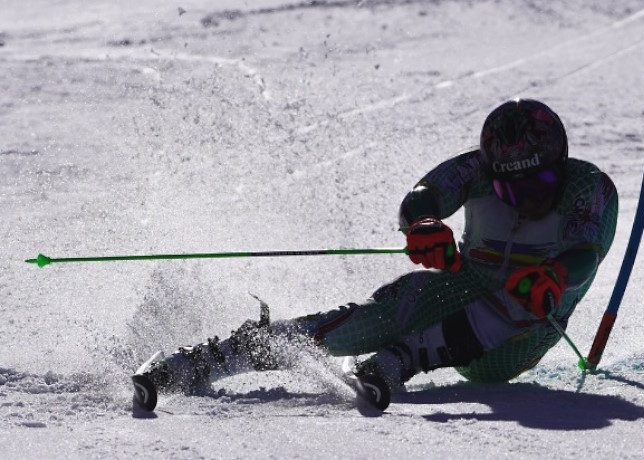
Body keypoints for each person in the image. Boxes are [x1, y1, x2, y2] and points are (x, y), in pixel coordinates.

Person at [132, 98, 618, 412]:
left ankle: (404, 356)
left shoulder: (587, 187)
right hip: (466, 284)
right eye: (508, 190)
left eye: (539, 184)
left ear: (560, 165)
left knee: (521, 296)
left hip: (525, 331)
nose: (525, 200)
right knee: (380, 314)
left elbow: (586, 253)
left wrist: (555, 273)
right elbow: (424, 194)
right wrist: (423, 223)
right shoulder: (474, 169)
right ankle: (218, 356)